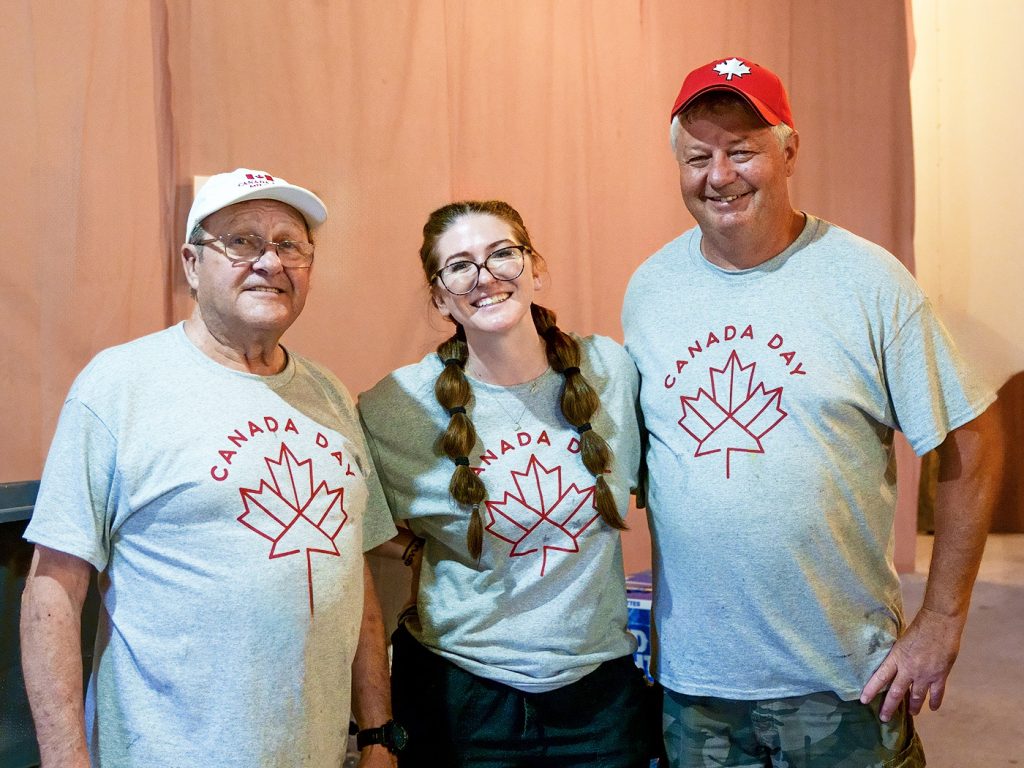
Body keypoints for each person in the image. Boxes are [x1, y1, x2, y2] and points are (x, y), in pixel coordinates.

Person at [621, 57, 1003, 767]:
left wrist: (944, 618)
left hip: (842, 683)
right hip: (696, 687)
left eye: (742, 152)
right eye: (698, 156)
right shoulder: (650, 290)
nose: (720, 175)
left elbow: (971, 438)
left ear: (789, 152)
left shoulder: (868, 282)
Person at [20, 168, 400, 767]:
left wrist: (378, 733)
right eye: (242, 241)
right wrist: (64, 757)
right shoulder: (119, 385)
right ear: (192, 265)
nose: (270, 262)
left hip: (317, 753)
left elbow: (355, 573)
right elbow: (53, 585)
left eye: (289, 244)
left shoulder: (328, 393)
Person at [358, 200, 655, 767]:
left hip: (598, 700)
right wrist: (421, 546)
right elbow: (358, 527)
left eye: (502, 255)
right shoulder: (395, 406)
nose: (485, 277)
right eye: (460, 266)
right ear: (441, 297)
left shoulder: (610, 370)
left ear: (535, 269)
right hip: (462, 698)